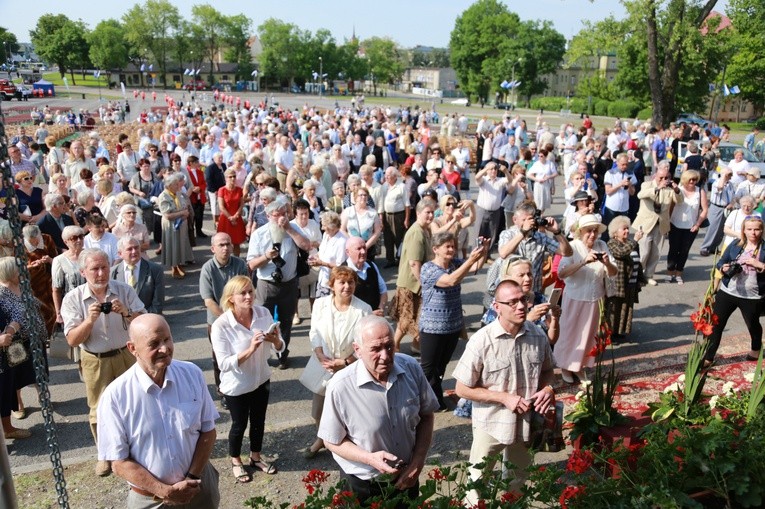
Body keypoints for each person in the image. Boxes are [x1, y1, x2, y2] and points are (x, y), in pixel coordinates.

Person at [97, 314, 220, 508]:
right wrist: (166, 492)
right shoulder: (116, 396)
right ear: (132, 348)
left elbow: (208, 431)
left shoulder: (192, 374)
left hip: (199, 488)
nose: (164, 348)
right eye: (154, 343)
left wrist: (191, 478)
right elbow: (119, 463)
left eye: (167, 339)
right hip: (150, 500)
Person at [317, 315, 439, 507]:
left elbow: (426, 416)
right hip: (363, 485)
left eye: (389, 346)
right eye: (375, 349)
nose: (385, 355)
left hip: (407, 478)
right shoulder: (340, 386)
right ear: (357, 350)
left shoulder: (411, 368)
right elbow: (332, 440)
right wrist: (369, 458)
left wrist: (417, 463)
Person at [452, 279, 555, 503]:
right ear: (497, 307)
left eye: (523, 300)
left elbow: (548, 370)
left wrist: (548, 388)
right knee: (476, 483)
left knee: (517, 483)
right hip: (491, 423)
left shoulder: (538, 336)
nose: (521, 306)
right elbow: (461, 388)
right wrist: (503, 398)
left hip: (526, 423)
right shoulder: (482, 341)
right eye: (513, 302)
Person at [62, 248, 146, 476]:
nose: (101, 273)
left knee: (134, 403)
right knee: (99, 408)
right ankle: (104, 455)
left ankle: (135, 449)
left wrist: (127, 313)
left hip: (126, 355)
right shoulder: (73, 299)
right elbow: (71, 339)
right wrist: (89, 320)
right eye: (95, 269)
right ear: (82, 272)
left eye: (104, 267)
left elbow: (145, 324)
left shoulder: (124, 291)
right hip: (94, 359)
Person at [211, 276, 284, 482]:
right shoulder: (221, 325)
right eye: (242, 293)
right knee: (239, 424)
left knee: (259, 421)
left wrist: (276, 341)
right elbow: (223, 364)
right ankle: (235, 460)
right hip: (236, 386)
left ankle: (255, 457)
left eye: (250, 291)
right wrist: (250, 349)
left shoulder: (263, 313)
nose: (248, 296)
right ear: (231, 298)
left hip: (261, 379)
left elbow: (280, 347)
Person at [301, 267, 372, 458]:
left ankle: (345, 444)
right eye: (342, 282)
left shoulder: (364, 309)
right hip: (323, 364)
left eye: (351, 282)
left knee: (348, 410)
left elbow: (366, 344)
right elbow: (314, 331)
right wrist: (318, 352)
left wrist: (346, 361)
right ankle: (322, 439)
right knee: (318, 410)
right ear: (331, 285)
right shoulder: (320, 304)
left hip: (349, 367)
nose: (347, 286)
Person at [420, 232, 487, 410]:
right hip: (432, 327)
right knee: (428, 367)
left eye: (453, 246)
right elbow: (451, 281)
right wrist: (470, 260)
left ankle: (435, 398)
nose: (452, 249)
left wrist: (483, 251)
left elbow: (475, 267)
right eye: (447, 246)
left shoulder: (454, 264)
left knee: (441, 366)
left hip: (452, 325)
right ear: (435, 249)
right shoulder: (428, 268)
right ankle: (426, 401)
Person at [246, 196, 312, 369]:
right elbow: (251, 264)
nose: (281, 218)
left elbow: (306, 246)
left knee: (286, 322)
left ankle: (283, 354)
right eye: (277, 215)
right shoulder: (259, 234)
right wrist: (266, 257)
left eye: (284, 213)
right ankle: (261, 358)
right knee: (260, 323)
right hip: (266, 285)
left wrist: (289, 228)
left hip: (289, 284)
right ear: (268, 216)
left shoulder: (292, 228)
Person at [555, 215, 617, 383]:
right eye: (589, 231)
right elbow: (561, 273)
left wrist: (606, 263)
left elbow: (613, 273)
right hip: (575, 297)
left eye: (595, 231)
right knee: (570, 333)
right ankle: (565, 366)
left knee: (588, 336)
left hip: (595, 298)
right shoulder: (572, 247)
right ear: (580, 232)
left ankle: (580, 367)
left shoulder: (602, 245)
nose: (592, 235)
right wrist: (583, 262)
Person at [704, 216, 765, 365]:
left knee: (753, 324)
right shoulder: (736, 244)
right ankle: (708, 357)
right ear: (744, 230)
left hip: (752, 295)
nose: (753, 233)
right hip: (728, 291)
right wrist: (723, 268)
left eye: (757, 229)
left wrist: (760, 265)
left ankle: (755, 350)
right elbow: (721, 262)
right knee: (716, 325)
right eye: (749, 229)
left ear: (762, 230)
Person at [199, 233, 249, 406]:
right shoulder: (207, 268)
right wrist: (226, 319)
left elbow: (246, 291)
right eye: (221, 245)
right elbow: (208, 300)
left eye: (228, 244)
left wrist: (238, 318)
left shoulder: (240, 264)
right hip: (217, 321)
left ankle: (242, 387)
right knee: (219, 358)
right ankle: (223, 391)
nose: (225, 248)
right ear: (213, 248)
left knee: (241, 352)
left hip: (240, 317)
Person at [498, 202, 572, 294]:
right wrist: (523, 232)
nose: (528, 223)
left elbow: (567, 253)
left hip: (534, 291)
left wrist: (557, 232)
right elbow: (503, 254)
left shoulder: (540, 237)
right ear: (514, 220)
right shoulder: (508, 234)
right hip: (512, 291)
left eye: (530, 219)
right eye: (524, 220)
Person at [392, 199, 436, 352]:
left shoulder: (425, 229)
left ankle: (416, 345)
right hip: (411, 283)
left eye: (432, 212)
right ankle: (394, 345)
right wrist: (424, 284)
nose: (430, 216)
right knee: (406, 319)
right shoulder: (416, 232)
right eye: (427, 212)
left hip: (417, 282)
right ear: (418, 213)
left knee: (419, 317)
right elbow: (414, 263)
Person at [605, 216, 644, 341]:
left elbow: (638, 260)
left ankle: (618, 332)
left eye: (628, 228)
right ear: (615, 232)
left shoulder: (629, 243)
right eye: (624, 229)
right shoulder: (611, 244)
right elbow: (620, 253)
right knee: (614, 309)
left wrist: (640, 280)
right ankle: (609, 334)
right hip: (617, 283)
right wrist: (635, 241)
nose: (627, 231)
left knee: (625, 309)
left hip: (630, 283)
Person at [666, 170, 708, 284]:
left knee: (684, 251)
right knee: (673, 249)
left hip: (691, 227)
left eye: (694, 179)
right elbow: (670, 206)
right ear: (684, 180)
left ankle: (679, 273)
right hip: (675, 224)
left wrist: (697, 224)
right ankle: (670, 272)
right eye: (690, 179)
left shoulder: (700, 191)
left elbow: (704, 210)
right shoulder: (678, 190)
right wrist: (667, 222)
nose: (692, 181)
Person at [111, 236, 165, 314]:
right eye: (129, 249)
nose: (134, 251)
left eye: (136, 248)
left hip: (147, 319)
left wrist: (140, 318)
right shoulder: (112, 273)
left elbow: (158, 304)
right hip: (120, 321)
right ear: (120, 254)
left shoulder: (155, 270)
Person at [159, 173, 193, 279]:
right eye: (176, 185)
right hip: (170, 225)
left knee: (180, 245)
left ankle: (179, 265)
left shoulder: (177, 193)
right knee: (172, 245)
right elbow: (168, 215)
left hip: (181, 223)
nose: (178, 187)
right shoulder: (163, 196)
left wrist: (185, 213)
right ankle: (174, 267)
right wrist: (182, 213)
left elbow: (184, 205)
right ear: (169, 186)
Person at [343, 236, 388, 315]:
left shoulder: (372, 265)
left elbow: (383, 291)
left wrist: (380, 309)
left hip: (375, 319)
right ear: (348, 252)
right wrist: (369, 314)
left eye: (364, 247)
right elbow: (342, 304)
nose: (363, 252)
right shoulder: (343, 272)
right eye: (359, 249)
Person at [378, 168, 411, 268]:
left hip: (398, 216)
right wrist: (381, 219)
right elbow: (381, 203)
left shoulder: (401, 186)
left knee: (398, 238)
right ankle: (390, 260)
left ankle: (401, 259)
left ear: (395, 176)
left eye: (389, 175)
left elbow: (407, 204)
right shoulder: (384, 186)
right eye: (386, 175)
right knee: (388, 239)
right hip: (386, 215)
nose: (386, 177)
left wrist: (406, 219)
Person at [309, 211, 348, 297]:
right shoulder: (326, 235)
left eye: (324, 225)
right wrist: (315, 256)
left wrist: (322, 263)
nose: (322, 228)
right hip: (322, 280)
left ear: (333, 227)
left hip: (333, 284)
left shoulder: (342, 242)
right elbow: (323, 251)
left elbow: (340, 267)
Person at [340, 186, 382, 263]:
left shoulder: (373, 212)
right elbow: (342, 229)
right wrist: (352, 242)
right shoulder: (348, 211)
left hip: (368, 246)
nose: (363, 197)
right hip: (352, 247)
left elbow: (377, 231)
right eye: (361, 195)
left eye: (365, 195)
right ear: (355, 197)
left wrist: (365, 246)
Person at [217, 168, 247, 257]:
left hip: (237, 218)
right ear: (226, 178)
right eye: (230, 177)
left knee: (236, 242)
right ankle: (225, 259)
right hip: (225, 219)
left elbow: (241, 204)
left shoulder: (239, 189)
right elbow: (221, 207)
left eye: (234, 176)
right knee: (224, 242)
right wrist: (230, 217)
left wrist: (236, 215)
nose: (233, 178)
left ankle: (236, 260)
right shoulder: (222, 190)